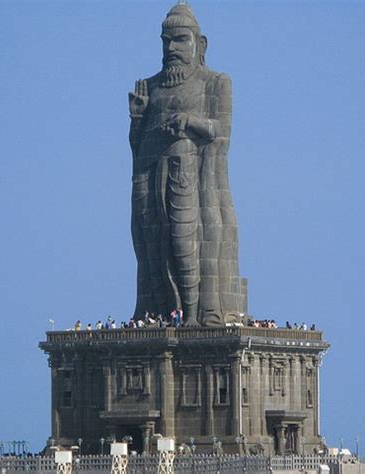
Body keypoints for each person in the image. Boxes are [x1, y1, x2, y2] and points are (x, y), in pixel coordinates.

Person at [129, 3, 246, 327]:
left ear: (200, 44)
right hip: (151, 182)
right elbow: (136, 147)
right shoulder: (150, 87)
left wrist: (189, 121)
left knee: (186, 245)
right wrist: (138, 118)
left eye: (180, 40)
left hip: (192, 182)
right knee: (153, 249)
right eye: (165, 41)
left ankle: (196, 315)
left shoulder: (215, 82)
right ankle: (158, 313)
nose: (171, 48)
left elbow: (220, 132)